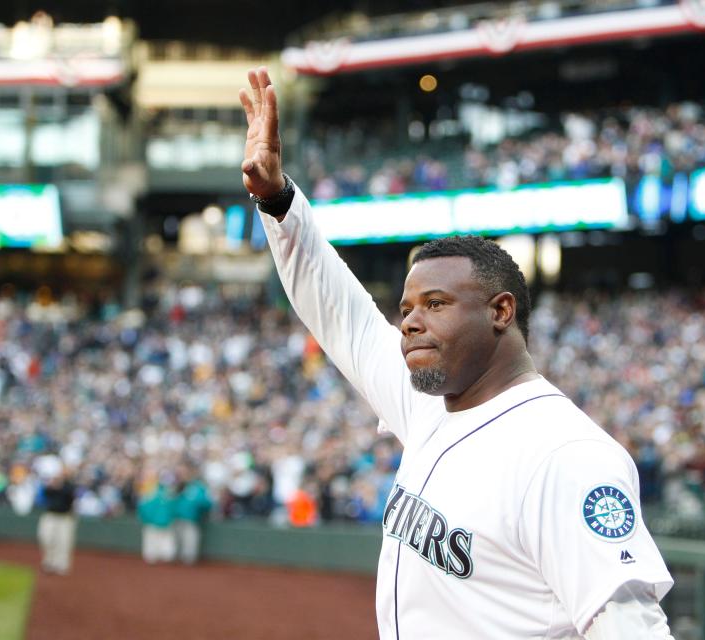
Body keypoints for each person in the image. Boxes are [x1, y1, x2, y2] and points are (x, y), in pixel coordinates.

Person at [240, 67, 674, 639]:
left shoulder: (566, 455)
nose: (411, 321)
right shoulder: (431, 405)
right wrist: (277, 200)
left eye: (436, 303)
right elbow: (341, 312)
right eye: (407, 307)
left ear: (500, 312)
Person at [36, 463, 77, 575]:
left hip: (64, 517)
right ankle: (49, 561)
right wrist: (52, 484)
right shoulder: (50, 484)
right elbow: (45, 494)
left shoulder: (69, 485)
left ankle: (61, 564)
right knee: (46, 538)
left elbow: (70, 496)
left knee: (63, 542)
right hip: (50, 515)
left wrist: (59, 485)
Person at [173, 466, 213, 565]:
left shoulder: (199, 487)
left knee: (190, 539)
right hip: (178, 517)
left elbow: (207, 503)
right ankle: (178, 557)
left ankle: (189, 559)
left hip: (191, 518)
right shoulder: (180, 485)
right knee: (178, 538)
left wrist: (197, 508)